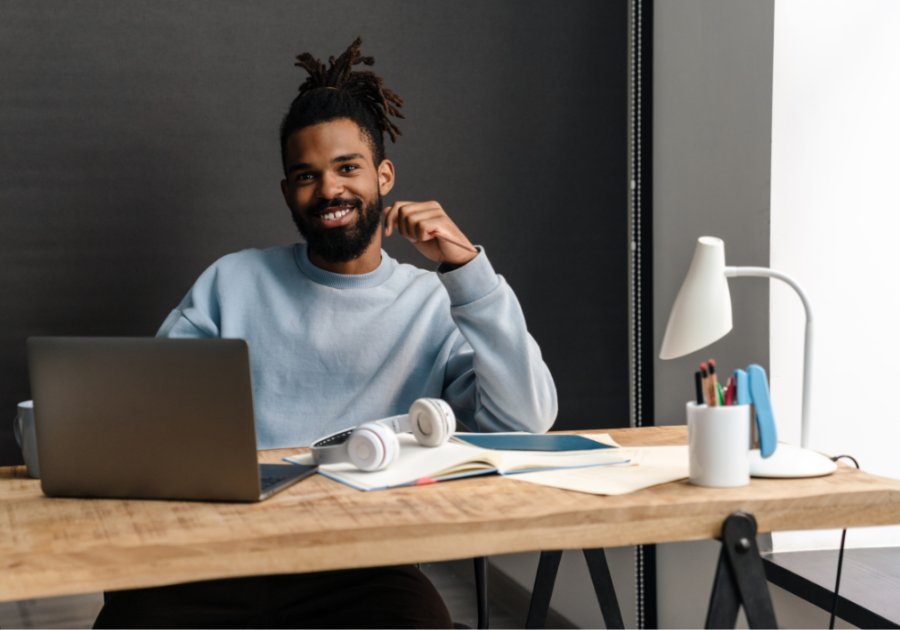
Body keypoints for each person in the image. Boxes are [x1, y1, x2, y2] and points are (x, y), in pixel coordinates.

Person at [93, 37, 556, 629]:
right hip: (218, 555)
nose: (329, 190)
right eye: (306, 175)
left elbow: (527, 419)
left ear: (383, 175)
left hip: (362, 568)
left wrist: (468, 271)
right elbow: (144, 416)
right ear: (288, 192)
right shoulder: (232, 282)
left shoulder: (433, 302)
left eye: (347, 168)